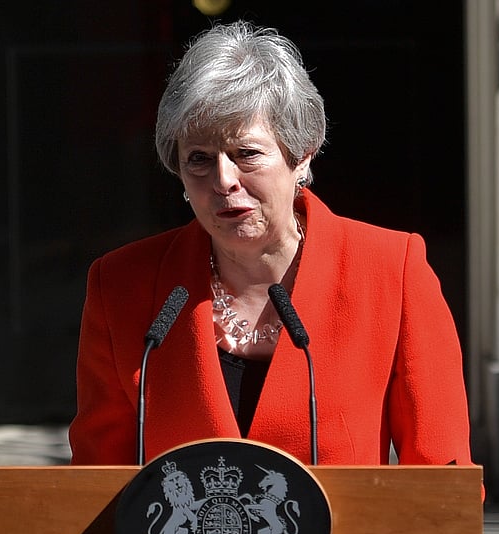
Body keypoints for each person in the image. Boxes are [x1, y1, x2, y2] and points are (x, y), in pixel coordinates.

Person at [69, 21, 475, 471]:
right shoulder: (122, 285)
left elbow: (441, 481)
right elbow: (94, 483)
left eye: (247, 154)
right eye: (198, 159)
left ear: (301, 155)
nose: (223, 181)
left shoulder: (390, 272)